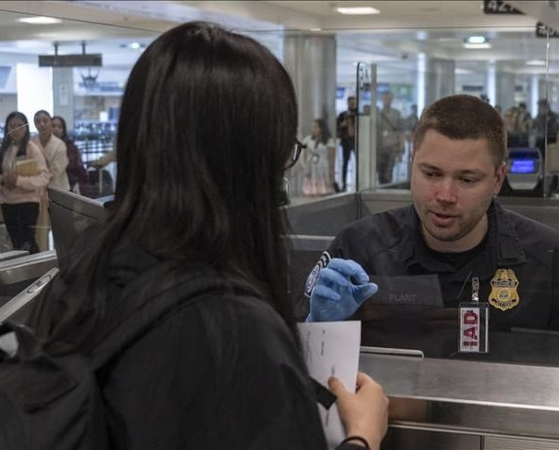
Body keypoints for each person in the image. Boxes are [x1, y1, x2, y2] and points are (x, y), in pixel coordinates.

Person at [28, 21, 388, 450]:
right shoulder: (232, 331)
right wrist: (363, 436)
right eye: (281, 152)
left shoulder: (79, 278)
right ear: (250, 163)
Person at [304, 94, 559, 347]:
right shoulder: (359, 248)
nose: (445, 195)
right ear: (412, 164)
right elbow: (300, 377)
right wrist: (317, 331)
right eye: (431, 174)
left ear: (498, 179)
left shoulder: (549, 259)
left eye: (467, 179)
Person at [0, 112, 50, 254]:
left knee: (28, 242)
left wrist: (18, 181)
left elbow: (43, 177)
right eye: (12, 125)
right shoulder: (3, 149)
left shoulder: (32, 148)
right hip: (7, 201)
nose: (15, 129)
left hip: (28, 201)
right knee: (15, 242)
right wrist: (2, 181)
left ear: (26, 128)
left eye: (19, 126)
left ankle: (35, 266)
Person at [32, 110, 68, 252]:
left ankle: (65, 259)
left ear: (49, 122)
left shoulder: (59, 144)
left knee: (61, 230)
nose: (42, 124)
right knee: (41, 233)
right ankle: (44, 259)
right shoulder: (31, 143)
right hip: (38, 194)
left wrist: (39, 176)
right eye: (38, 121)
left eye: (45, 121)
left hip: (58, 191)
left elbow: (57, 170)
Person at [51, 115, 88, 191]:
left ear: (63, 130)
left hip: (68, 186)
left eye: (60, 127)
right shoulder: (42, 146)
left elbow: (79, 169)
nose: (56, 129)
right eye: (53, 126)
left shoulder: (71, 147)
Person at [301, 118, 336, 196]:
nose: (313, 129)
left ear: (321, 129)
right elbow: (302, 150)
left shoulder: (328, 141)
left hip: (323, 168)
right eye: (313, 127)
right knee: (309, 192)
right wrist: (304, 163)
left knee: (324, 192)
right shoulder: (308, 139)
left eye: (315, 127)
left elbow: (331, 158)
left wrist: (331, 171)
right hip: (312, 168)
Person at [376, 91, 404, 184]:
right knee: (380, 170)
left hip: (392, 145)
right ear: (382, 100)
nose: (387, 100)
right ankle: (381, 187)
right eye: (385, 98)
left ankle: (387, 186)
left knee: (389, 171)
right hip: (380, 146)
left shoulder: (397, 114)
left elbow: (400, 131)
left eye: (389, 98)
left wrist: (401, 149)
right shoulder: (377, 114)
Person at [336, 96, 357, 192]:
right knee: (345, 162)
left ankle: (359, 181)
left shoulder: (358, 115)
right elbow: (337, 127)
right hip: (346, 141)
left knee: (359, 162)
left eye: (353, 102)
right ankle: (344, 183)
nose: (352, 104)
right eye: (350, 102)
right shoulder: (343, 115)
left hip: (356, 141)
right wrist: (343, 124)